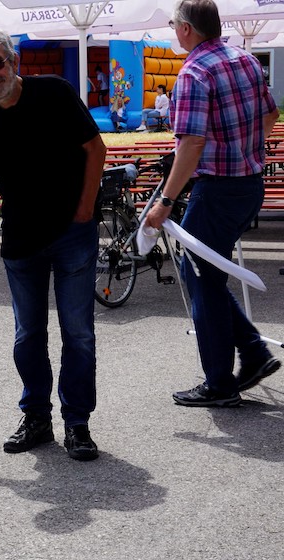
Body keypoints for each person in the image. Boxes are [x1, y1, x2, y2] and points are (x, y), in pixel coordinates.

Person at [0, 29, 107, 461]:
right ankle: (36, 418)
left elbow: (95, 149)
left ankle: (77, 423)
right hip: (21, 241)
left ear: (13, 61)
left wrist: (85, 210)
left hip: (73, 234)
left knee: (78, 333)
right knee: (28, 335)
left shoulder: (54, 92)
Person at [144, 0, 281, 407]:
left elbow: (191, 143)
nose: (173, 30)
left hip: (217, 189)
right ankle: (252, 353)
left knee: (201, 278)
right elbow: (271, 116)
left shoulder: (194, 72)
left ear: (187, 28)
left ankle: (220, 382)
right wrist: (242, 149)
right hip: (248, 184)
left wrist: (165, 201)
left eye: (174, 24)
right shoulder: (245, 59)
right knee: (206, 275)